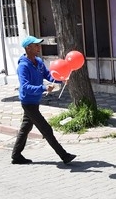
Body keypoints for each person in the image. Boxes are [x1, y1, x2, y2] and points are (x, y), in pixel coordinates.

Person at [11, 36, 76, 165]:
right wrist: (44, 88)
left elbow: (48, 75)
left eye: (38, 45)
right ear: (28, 48)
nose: (38, 47)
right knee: (46, 129)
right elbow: (25, 87)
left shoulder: (39, 62)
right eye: (36, 45)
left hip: (35, 101)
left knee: (25, 129)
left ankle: (16, 155)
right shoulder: (23, 66)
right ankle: (64, 156)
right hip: (28, 102)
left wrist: (61, 79)